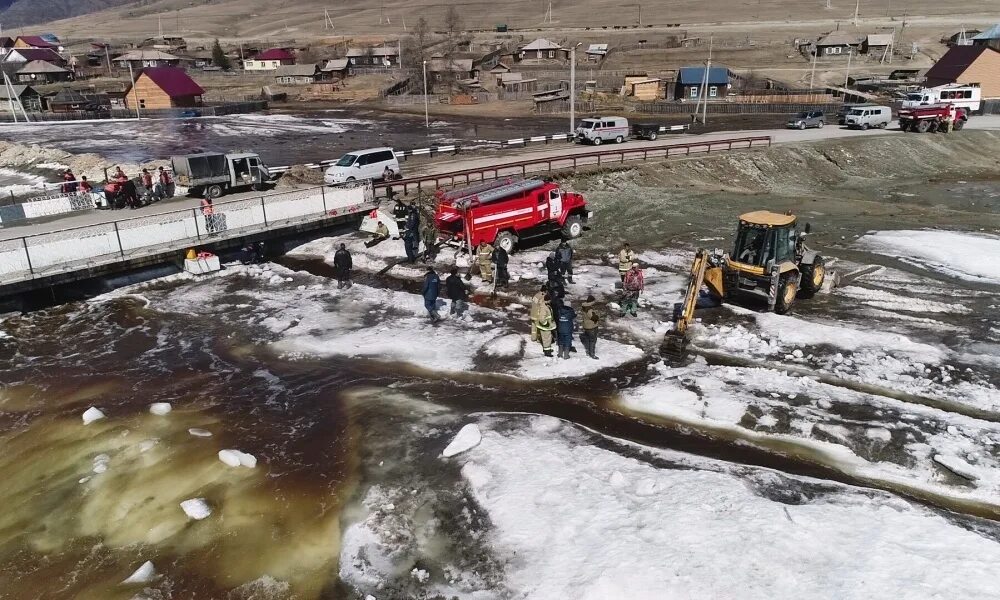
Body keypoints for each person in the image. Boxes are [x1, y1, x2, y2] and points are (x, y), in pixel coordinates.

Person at [580, 295, 601, 359]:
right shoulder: (589, 309)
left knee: (588, 340)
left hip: (586, 326)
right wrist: (598, 315)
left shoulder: (584, 307)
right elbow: (593, 317)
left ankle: (589, 351)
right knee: (592, 341)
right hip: (591, 327)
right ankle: (592, 354)